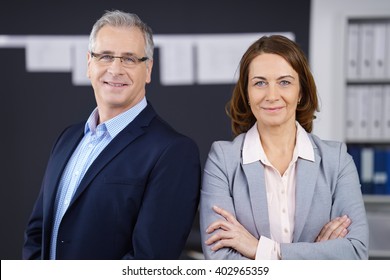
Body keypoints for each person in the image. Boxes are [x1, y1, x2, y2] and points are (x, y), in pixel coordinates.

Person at [23, 10, 201, 260]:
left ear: (148, 69)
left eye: (129, 59)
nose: (115, 69)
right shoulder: (68, 139)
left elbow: (149, 261)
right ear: (89, 64)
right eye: (105, 56)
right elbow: (37, 233)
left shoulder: (173, 152)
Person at [199, 35, 369, 260]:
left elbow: (356, 253)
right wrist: (318, 257)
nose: (271, 95)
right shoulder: (224, 160)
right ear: (247, 93)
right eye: (260, 83)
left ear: (300, 92)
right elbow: (220, 260)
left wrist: (263, 250)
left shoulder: (336, 160)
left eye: (284, 82)